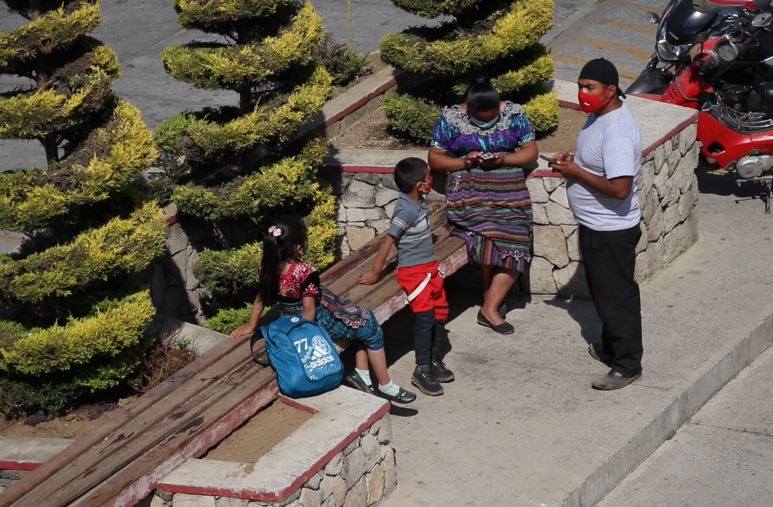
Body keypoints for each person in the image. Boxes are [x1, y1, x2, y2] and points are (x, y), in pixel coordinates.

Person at [230, 216, 416, 403]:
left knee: (358, 319)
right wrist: (307, 338)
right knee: (369, 324)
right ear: (299, 248)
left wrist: (251, 326)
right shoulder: (304, 271)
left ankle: (363, 375)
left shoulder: (267, 268)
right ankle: (385, 384)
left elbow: (260, 299)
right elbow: (309, 312)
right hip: (314, 318)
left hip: (288, 315)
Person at [548, 58, 643, 390]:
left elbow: (619, 189)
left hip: (610, 231)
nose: (583, 93)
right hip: (596, 226)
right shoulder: (599, 116)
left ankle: (627, 364)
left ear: (611, 90)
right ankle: (611, 348)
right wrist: (574, 161)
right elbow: (599, 164)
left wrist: (575, 173)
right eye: (580, 86)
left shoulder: (617, 131)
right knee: (605, 295)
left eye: (590, 88)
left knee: (617, 298)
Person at [428, 78, 538, 335]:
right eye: (480, 118)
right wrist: (466, 162)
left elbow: (531, 152)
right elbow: (435, 158)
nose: (486, 122)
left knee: (517, 239)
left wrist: (504, 159)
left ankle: (489, 304)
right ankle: (491, 306)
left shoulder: (513, 114)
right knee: (487, 236)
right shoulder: (451, 119)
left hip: (508, 192)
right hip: (469, 195)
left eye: (491, 117)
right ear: (468, 108)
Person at [359, 157, 454, 396]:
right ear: (420, 185)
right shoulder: (405, 209)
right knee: (425, 319)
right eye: (429, 177)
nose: (433, 180)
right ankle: (421, 369)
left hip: (429, 268)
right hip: (414, 273)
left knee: (440, 312)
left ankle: (434, 360)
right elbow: (389, 240)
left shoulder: (419, 202)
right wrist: (375, 273)